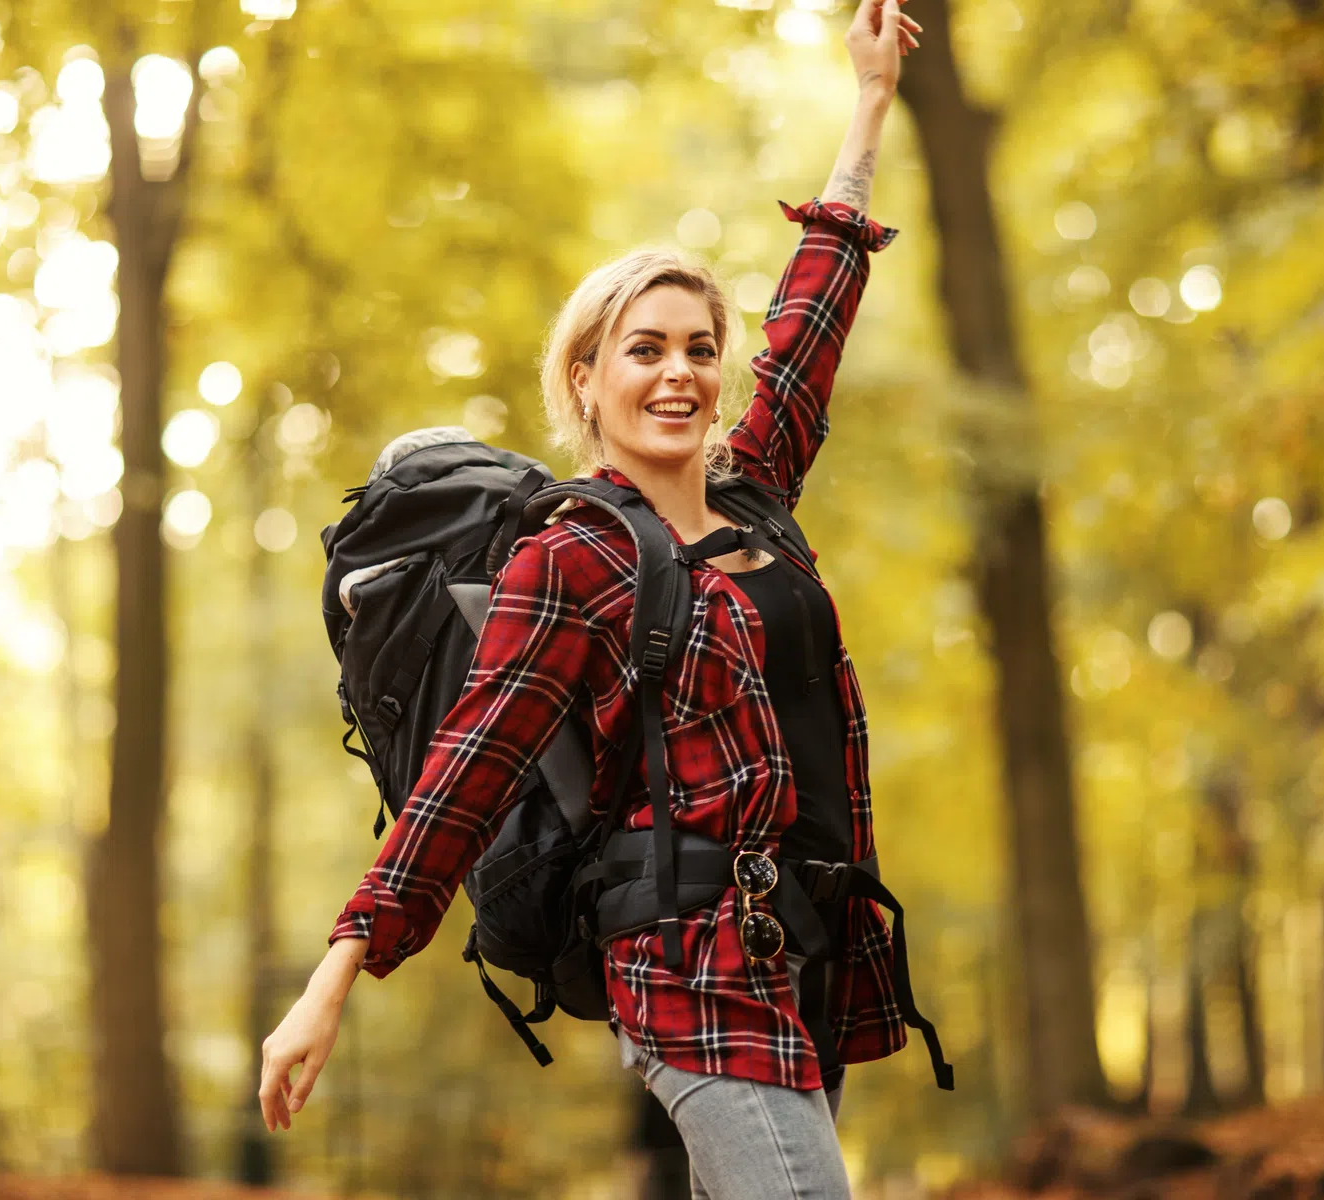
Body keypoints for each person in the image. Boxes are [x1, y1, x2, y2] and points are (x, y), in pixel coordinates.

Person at [261, 1, 925, 1194]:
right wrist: (334, 978)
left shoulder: (757, 498)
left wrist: (869, 103)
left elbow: (815, 316)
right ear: (586, 378)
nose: (679, 373)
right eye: (643, 348)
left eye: (698, 347)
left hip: (815, 954)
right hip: (689, 966)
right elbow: (467, 772)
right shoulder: (573, 557)